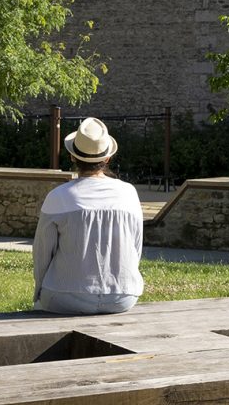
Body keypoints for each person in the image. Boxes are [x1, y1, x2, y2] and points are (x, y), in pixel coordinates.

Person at [31, 117, 144, 315]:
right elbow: (136, 248)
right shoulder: (129, 193)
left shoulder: (59, 196)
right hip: (123, 297)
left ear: (73, 157)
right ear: (107, 158)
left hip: (64, 296)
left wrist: (39, 293)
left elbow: (42, 255)